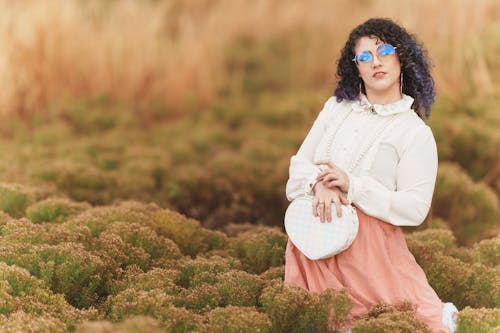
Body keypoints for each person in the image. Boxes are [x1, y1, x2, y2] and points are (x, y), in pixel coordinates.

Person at [284, 18, 458, 333]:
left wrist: (353, 186)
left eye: (384, 51)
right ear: (356, 68)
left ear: (401, 56)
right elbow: (298, 168)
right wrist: (320, 184)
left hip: (370, 261)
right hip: (312, 242)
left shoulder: (414, 132)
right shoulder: (335, 108)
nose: (375, 62)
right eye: (364, 57)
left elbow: (415, 208)